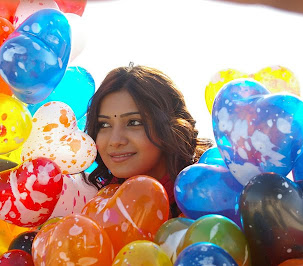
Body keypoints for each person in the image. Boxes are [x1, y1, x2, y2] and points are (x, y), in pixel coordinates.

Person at [84, 64, 214, 217]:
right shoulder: (93, 203)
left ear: (168, 126)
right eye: (104, 125)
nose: (115, 140)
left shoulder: (211, 192)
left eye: (134, 122)